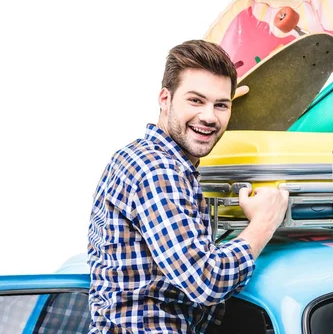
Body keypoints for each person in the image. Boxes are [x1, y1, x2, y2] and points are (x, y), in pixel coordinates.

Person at [87, 39, 289, 333]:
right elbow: (205, 282)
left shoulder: (140, 158)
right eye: (195, 100)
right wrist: (264, 223)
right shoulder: (157, 171)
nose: (209, 117)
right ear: (165, 99)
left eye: (221, 105)